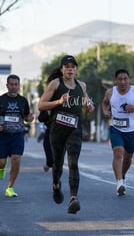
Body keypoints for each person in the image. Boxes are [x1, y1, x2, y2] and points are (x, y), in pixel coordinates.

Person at [38, 55, 94, 214]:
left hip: (74, 129)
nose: (70, 69)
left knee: (73, 163)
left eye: (73, 66)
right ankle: (56, 185)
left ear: (76, 69)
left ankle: (73, 198)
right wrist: (58, 102)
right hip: (57, 129)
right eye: (67, 66)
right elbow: (41, 105)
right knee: (57, 163)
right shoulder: (55, 84)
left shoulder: (81, 85)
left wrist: (90, 106)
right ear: (62, 69)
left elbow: (87, 102)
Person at [101, 69, 134, 196]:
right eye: (120, 79)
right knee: (118, 153)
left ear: (129, 79)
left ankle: (122, 175)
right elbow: (104, 103)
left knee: (127, 158)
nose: (123, 82)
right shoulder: (110, 92)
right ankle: (119, 183)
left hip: (132, 130)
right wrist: (106, 112)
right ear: (116, 80)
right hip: (116, 129)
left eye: (125, 79)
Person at [0, 74, 34, 197]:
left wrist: (30, 118)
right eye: (11, 84)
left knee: (16, 159)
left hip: (17, 135)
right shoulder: (0, 100)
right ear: (7, 85)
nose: (13, 87)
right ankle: (2, 167)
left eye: (16, 84)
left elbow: (26, 117)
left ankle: (10, 187)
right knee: (1, 163)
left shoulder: (23, 101)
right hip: (2, 135)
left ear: (19, 86)